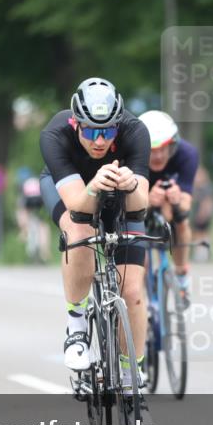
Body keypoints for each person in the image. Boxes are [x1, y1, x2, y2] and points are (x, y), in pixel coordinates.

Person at [39, 78, 151, 392]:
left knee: (132, 292)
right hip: (72, 191)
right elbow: (77, 206)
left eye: (108, 131)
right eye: (90, 132)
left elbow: (140, 206)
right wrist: (94, 186)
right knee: (79, 228)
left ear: (119, 125)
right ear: (76, 123)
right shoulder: (55, 135)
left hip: (120, 193)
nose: (100, 141)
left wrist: (131, 185)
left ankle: (130, 372)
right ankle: (76, 326)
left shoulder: (135, 132)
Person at [138, 110, 199, 301]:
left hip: (170, 208)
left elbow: (186, 205)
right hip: (138, 208)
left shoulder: (187, 154)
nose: (157, 156)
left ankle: (181, 276)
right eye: (152, 150)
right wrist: (147, 201)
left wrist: (177, 199)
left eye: (163, 148)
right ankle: (142, 300)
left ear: (173, 145)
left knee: (182, 221)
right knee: (139, 256)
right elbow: (123, 206)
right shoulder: (131, 156)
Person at [190, 165, 213, 259]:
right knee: (198, 233)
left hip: (203, 214)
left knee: (201, 233)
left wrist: (203, 214)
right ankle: (201, 252)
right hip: (197, 214)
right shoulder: (197, 188)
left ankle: (203, 253)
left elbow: (208, 202)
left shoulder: (206, 188)